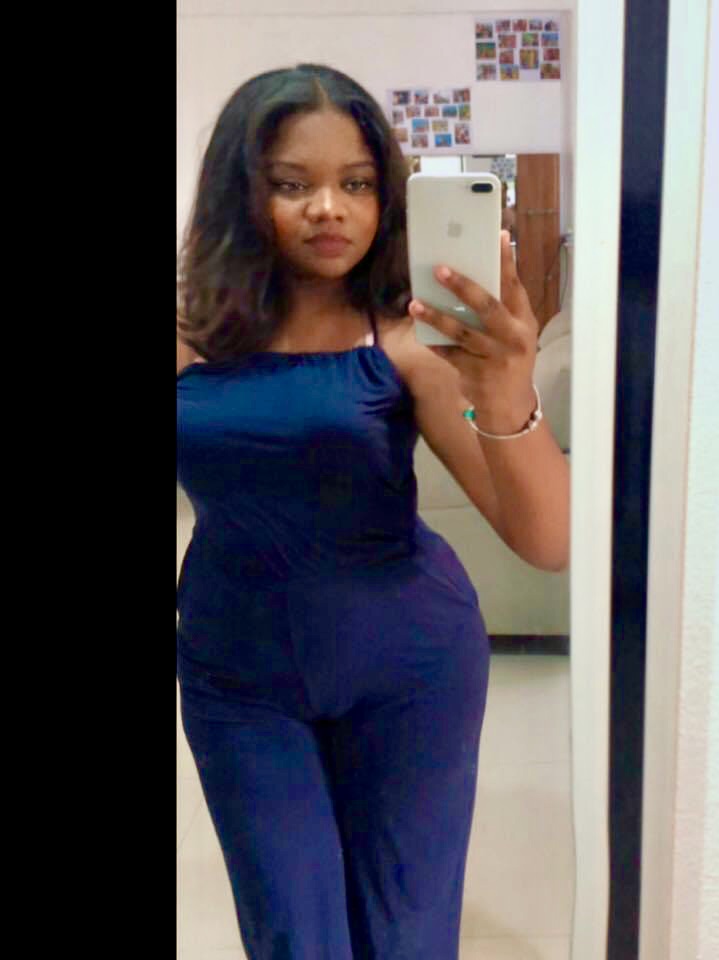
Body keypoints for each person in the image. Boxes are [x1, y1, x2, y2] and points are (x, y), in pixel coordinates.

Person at [176, 64, 570, 959]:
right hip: (237, 674)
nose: (329, 209)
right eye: (293, 184)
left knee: (405, 934)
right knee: (292, 935)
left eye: (356, 184)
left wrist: (508, 388)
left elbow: (548, 541)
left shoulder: (407, 339)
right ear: (242, 192)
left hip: (410, 666)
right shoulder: (189, 333)